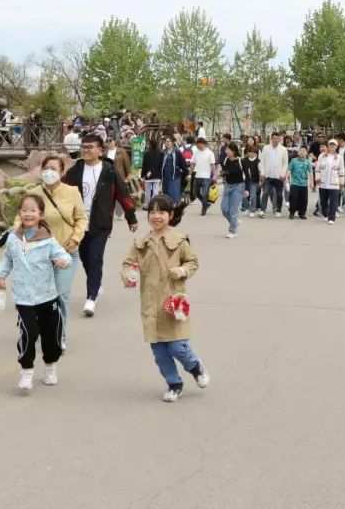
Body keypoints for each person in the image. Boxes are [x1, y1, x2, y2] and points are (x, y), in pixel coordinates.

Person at [120, 194, 210, 403]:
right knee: (160, 352)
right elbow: (127, 264)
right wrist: (128, 275)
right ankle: (174, 384)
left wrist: (182, 270)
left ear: (170, 215)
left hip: (173, 302)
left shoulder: (179, 241)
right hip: (150, 304)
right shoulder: (140, 242)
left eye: (161, 212)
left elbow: (193, 262)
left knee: (177, 346)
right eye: (152, 212)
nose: (156, 216)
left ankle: (195, 366)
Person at [0, 195, 71, 393]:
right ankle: (26, 371)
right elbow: (8, 259)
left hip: (47, 295)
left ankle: (50, 367)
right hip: (24, 297)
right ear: (19, 213)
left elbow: (63, 255)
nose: (28, 214)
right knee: (28, 333)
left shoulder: (48, 239)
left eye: (32, 210)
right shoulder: (13, 238)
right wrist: (1, 275)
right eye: (24, 210)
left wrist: (63, 261)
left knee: (51, 336)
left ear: (41, 214)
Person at [63, 134, 138, 317]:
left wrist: (131, 217)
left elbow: (123, 193)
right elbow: (62, 193)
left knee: (95, 257)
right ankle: (96, 284)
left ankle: (91, 297)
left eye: (90, 147)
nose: (86, 150)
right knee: (85, 257)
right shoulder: (74, 171)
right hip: (78, 224)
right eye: (83, 147)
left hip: (101, 222)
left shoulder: (109, 170)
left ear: (100, 150)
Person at [21, 155, 87, 348]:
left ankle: (59, 336)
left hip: (66, 252)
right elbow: (20, 219)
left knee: (60, 294)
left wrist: (75, 239)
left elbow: (81, 218)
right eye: (46, 169)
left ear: (62, 172)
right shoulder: (33, 194)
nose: (49, 172)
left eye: (53, 169)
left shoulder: (72, 192)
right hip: (38, 254)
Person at [258, 131, 289, 218]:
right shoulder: (266, 148)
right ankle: (262, 210)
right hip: (268, 175)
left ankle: (278, 210)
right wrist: (262, 173)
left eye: (277, 138)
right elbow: (262, 162)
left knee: (279, 194)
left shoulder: (283, 149)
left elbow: (285, 163)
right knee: (265, 193)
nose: (275, 140)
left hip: (278, 176)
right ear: (271, 139)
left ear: (279, 139)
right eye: (274, 138)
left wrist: (283, 174)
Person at [314, 139, 344, 224]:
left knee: (334, 202)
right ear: (328, 146)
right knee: (323, 202)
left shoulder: (339, 158)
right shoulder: (322, 156)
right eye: (330, 145)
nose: (332, 146)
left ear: (336, 146)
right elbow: (317, 169)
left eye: (333, 145)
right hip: (323, 183)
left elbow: (341, 171)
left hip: (334, 183)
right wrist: (317, 178)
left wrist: (341, 183)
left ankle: (331, 217)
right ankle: (325, 215)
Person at [220, 142, 245, 238]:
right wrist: (223, 173)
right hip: (228, 185)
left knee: (233, 211)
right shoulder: (226, 160)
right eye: (226, 150)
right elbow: (225, 170)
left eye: (228, 150)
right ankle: (235, 223)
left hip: (238, 186)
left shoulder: (240, 161)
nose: (226, 151)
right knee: (224, 209)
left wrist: (246, 189)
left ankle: (233, 231)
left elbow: (246, 175)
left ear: (233, 151)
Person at [191, 137, 218, 216]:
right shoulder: (196, 152)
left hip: (206, 177)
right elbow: (192, 164)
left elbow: (212, 165)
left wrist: (215, 175)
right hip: (197, 176)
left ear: (202, 144)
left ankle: (204, 208)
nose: (196, 146)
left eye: (197, 144)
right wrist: (189, 173)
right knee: (195, 192)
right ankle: (206, 203)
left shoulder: (210, 153)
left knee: (205, 193)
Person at [159, 135, 189, 203]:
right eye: (166, 142)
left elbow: (183, 164)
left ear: (172, 143)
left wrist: (187, 173)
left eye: (169, 141)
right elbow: (159, 165)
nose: (167, 143)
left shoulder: (177, 152)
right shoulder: (162, 152)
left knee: (174, 194)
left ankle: (176, 207)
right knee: (166, 194)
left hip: (175, 177)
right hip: (165, 177)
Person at [287, 146, 312, 220]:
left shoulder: (307, 162)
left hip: (304, 184)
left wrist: (312, 182)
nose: (302, 152)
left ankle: (302, 213)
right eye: (300, 151)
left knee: (304, 200)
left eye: (304, 151)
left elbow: (310, 172)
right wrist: (287, 177)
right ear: (298, 152)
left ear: (306, 153)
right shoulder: (293, 160)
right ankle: (292, 213)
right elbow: (289, 169)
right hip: (294, 183)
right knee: (293, 198)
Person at [242, 141, 261, 218]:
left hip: (255, 181)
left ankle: (252, 210)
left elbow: (260, 172)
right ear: (248, 152)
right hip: (246, 181)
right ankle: (247, 208)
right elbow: (242, 170)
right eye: (250, 152)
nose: (252, 153)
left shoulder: (258, 161)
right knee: (243, 196)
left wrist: (260, 181)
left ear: (256, 153)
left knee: (253, 196)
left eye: (254, 152)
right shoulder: (244, 160)